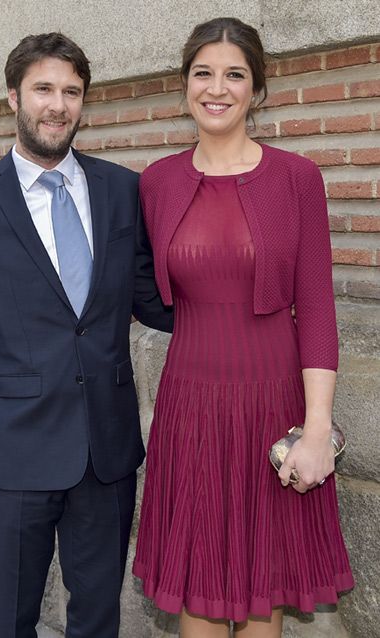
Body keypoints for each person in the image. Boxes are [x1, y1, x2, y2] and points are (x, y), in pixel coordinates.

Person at [0, 32, 172, 637]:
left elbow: (152, 300)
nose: (57, 105)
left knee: (97, 618)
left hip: (106, 451)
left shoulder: (123, 190)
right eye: (43, 88)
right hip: (11, 457)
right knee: (11, 620)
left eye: (71, 91)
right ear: (13, 96)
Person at [132, 17, 354, 637]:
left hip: (272, 403)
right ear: (184, 87)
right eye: (203, 73)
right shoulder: (157, 182)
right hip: (190, 406)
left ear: (257, 90)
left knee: (265, 593)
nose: (217, 88)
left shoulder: (296, 179)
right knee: (198, 592)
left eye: (235, 74)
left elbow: (316, 307)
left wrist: (315, 431)